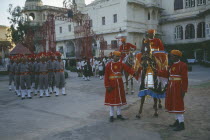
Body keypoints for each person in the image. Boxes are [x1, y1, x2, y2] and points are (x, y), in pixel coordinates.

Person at [157, 50, 188, 131]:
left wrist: (184, 90)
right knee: (174, 104)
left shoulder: (183, 65)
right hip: (171, 88)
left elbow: (185, 79)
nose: (170, 57)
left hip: (178, 88)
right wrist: (156, 71)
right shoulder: (171, 65)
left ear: (177, 57)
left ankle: (181, 124)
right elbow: (166, 74)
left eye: (172, 56)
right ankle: (177, 121)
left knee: (178, 105)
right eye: (170, 56)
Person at [104, 51, 136, 122]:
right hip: (111, 86)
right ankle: (111, 115)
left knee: (119, 100)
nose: (118, 58)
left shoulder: (121, 64)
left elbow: (128, 69)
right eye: (117, 56)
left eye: (119, 56)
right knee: (111, 101)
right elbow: (106, 76)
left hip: (119, 85)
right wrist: (107, 86)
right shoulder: (108, 65)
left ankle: (119, 114)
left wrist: (134, 73)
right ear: (113, 56)